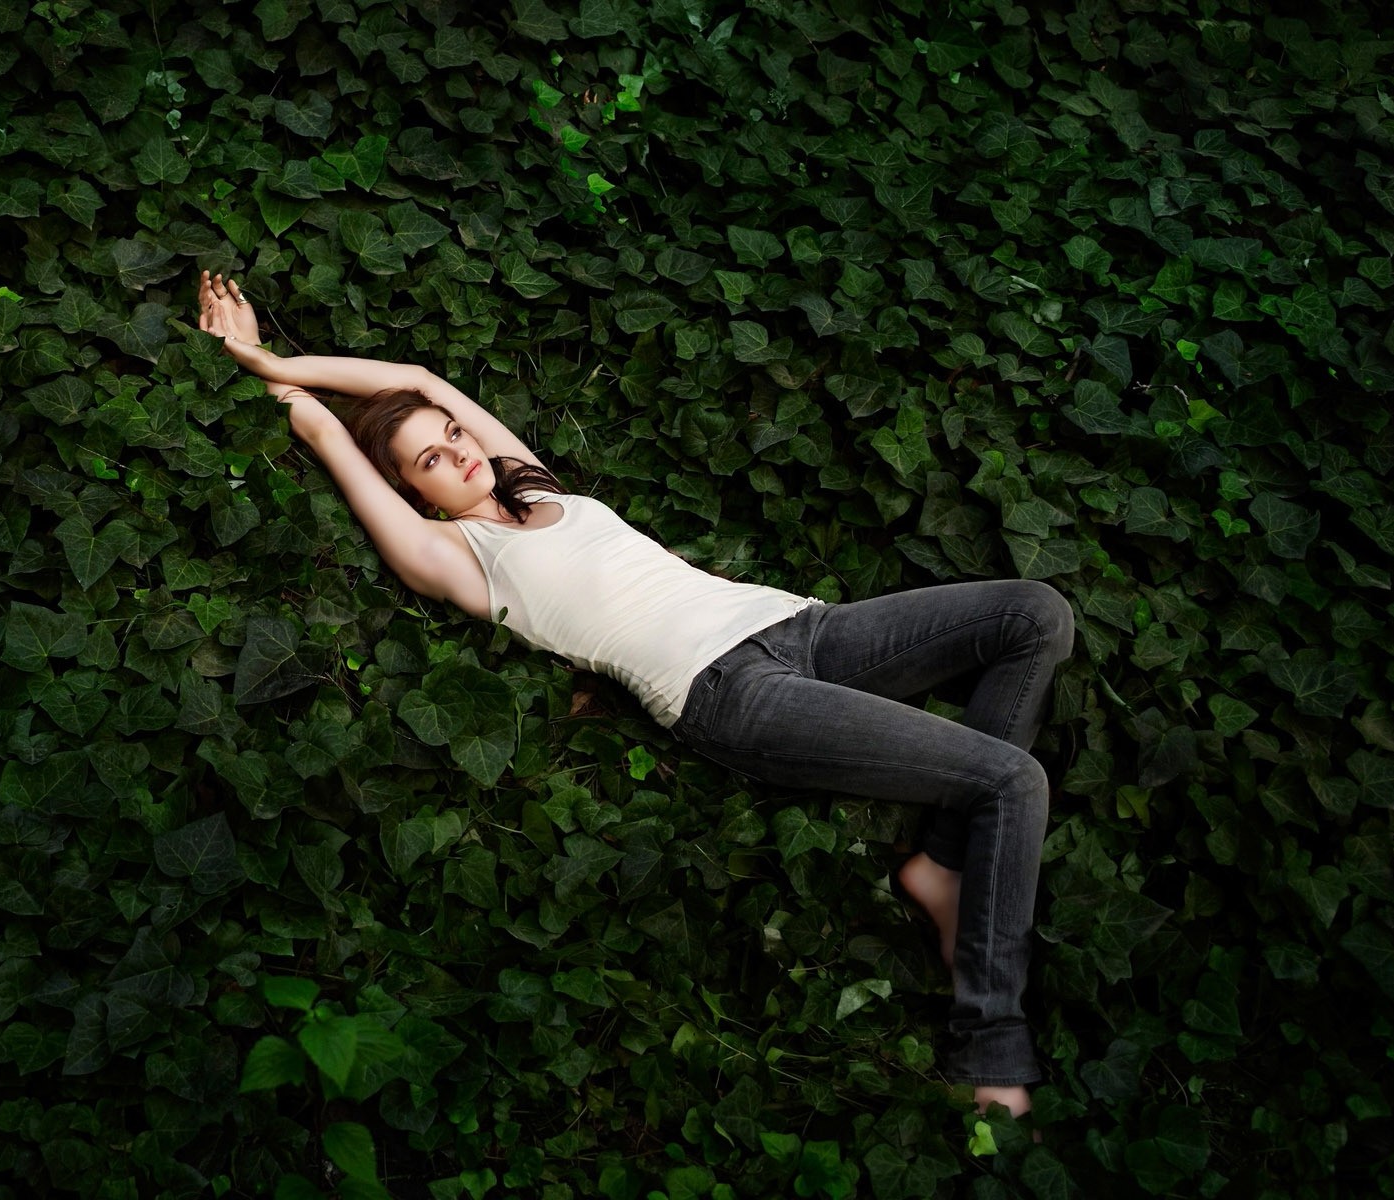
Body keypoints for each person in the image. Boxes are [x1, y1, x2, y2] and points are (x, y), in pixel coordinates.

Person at [196, 270, 1075, 1118]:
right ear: (410, 492)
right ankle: (990, 1039)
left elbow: (421, 378)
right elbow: (323, 433)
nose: (459, 452)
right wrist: (268, 376)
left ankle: (944, 862)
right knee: (1012, 780)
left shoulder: (532, 483)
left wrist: (315, 364)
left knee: (1034, 613)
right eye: (431, 458)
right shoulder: (455, 558)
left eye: (454, 436)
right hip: (725, 690)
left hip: (801, 627)